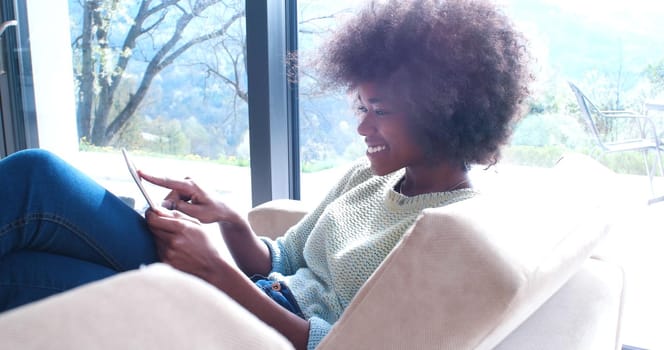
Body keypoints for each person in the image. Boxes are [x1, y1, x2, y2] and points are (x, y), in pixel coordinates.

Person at [0, 0, 531, 349]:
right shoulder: (365, 179)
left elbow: (329, 346)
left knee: (18, 266)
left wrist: (215, 272)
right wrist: (229, 220)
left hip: (247, 329)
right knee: (37, 177)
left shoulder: (446, 236)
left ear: (444, 110)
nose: (362, 125)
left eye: (381, 110)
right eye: (362, 106)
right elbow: (284, 258)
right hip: (248, 291)